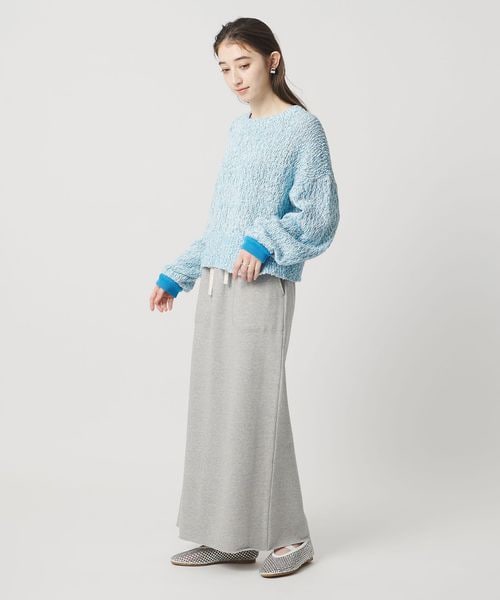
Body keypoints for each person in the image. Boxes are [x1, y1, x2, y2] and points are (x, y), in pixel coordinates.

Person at [149, 17, 340, 578]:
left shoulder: (303, 128)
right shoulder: (240, 131)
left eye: (244, 64)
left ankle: (290, 535)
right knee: (218, 406)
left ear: (271, 61)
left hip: (260, 283)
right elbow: (224, 223)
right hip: (216, 283)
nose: (235, 77)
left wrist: (265, 241)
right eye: (224, 68)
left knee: (258, 406)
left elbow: (319, 215)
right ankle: (228, 533)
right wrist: (179, 273)